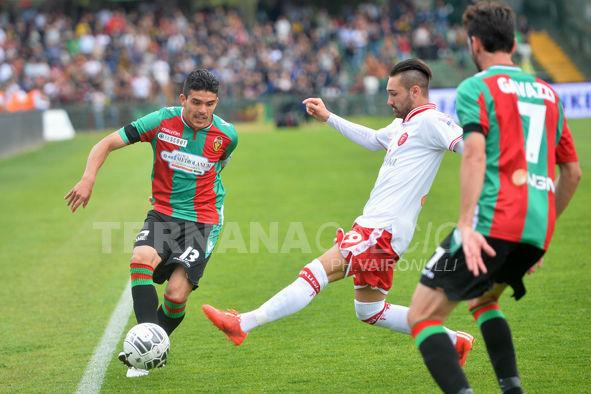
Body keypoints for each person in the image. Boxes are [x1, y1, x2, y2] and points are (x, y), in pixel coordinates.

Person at [202, 58, 474, 364]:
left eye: (393, 94)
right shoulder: (404, 123)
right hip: (378, 228)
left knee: (315, 271)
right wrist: (329, 117)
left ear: (415, 91)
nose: (388, 101)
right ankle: (453, 342)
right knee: (370, 311)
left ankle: (243, 323)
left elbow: (472, 149)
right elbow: (373, 140)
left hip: (382, 231)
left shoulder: (433, 122)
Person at [406, 2, 582, 393]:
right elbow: (572, 173)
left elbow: (474, 152)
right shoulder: (549, 95)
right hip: (535, 230)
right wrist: (538, 232)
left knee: (422, 316)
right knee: (485, 301)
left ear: (475, 44)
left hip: (492, 225)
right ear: (515, 42)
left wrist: (466, 225)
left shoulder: (477, 87)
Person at [65, 69, 238, 377]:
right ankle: (144, 347)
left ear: (217, 102)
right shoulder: (160, 121)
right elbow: (105, 144)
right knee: (140, 259)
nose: (203, 110)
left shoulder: (227, 136)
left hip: (204, 219)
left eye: (210, 104)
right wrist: (88, 178)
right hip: (163, 212)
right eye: (196, 102)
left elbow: (218, 167)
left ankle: (151, 346)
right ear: (183, 99)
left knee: (175, 295)